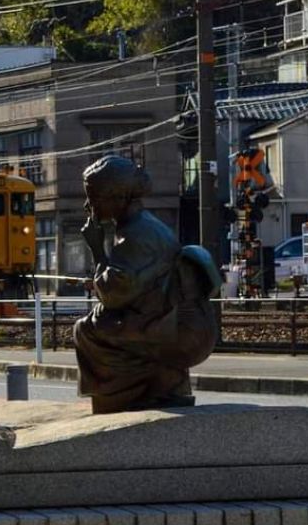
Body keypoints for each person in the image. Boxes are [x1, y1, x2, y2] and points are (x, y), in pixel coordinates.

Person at [73, 155, 218, 414]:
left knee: (88, 330)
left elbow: (112, 296)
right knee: (101, 322)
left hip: (180, 334)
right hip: (178, 323)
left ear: (118, 197)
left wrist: (97, 249)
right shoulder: (143, 226)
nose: (88, 205)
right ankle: (161, 384)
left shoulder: (135, 235)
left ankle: (132, 394)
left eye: (94, 197)